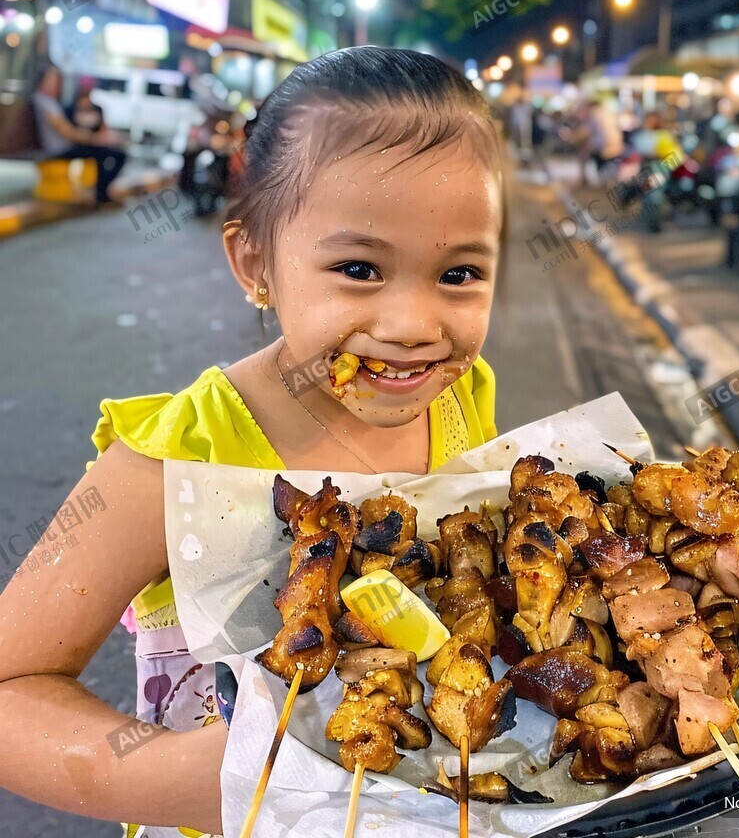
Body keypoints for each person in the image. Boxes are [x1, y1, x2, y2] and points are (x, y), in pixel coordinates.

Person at [0, 48, 506, 837]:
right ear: (256, 262)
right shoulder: (171, 458)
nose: (414, 327)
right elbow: (10, 684)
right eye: (359, 267)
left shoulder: (465, 396)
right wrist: (187, 782)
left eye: (460, 274)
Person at [32, 65, 127, 205]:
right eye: (52, 80)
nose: (55, 84)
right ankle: (101, 194)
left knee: (113, 153)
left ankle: (101, 192)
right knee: (105, 154)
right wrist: (94, 139)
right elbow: (66, 131)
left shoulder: (54, 102)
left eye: (57, 80)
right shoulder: (43, 101)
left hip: (68, 144)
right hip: (59, 149)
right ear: (42, 81)